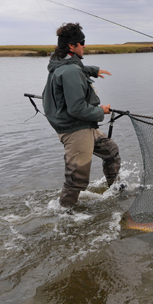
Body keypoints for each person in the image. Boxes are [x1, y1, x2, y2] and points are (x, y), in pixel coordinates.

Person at [42, 22, 121, 210]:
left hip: (83, 127)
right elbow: (77, 109)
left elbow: (73, 68)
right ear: (72, 46)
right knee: (76, 179)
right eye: (81, 42)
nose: (84, 45)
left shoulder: (62, 63)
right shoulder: (70, 71)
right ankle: (64, 215)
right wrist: (101, 111)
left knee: (110, 151)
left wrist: (93, 70)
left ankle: (116, 191)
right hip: (75, 129)